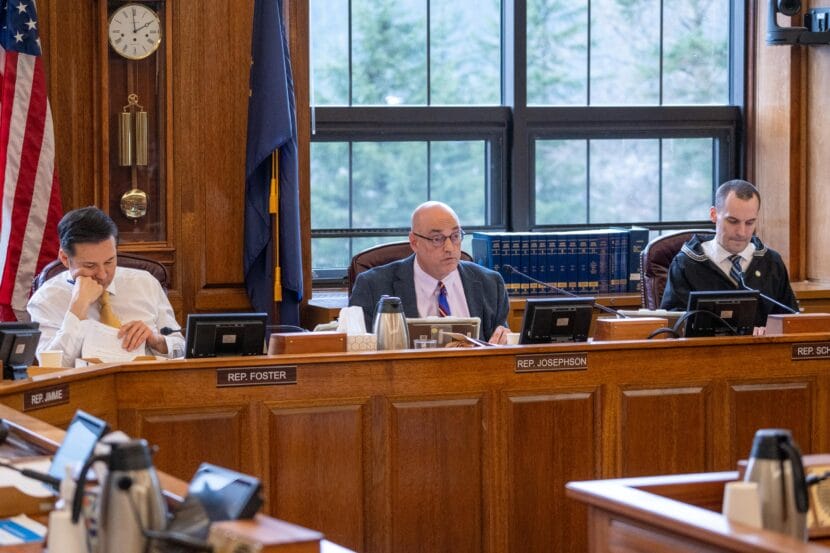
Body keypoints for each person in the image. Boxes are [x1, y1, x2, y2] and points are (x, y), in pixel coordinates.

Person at [27, 207, 184, 366]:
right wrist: (78, 307)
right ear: (65, 258)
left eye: (109, 261)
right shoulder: (45, 299)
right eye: (90, 265)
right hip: (84, 388)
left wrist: (156, 341)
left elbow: (182, 348)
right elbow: (52, 368)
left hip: (149, 384)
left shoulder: (145, 283)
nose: (102, 274)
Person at [350, 201, 511, 344]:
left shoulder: (490, 284)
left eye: (455, 236)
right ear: (414, 242)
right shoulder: (372, 286)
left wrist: (505, 339)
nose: (449, 248)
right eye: (437, 239)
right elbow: (359, 352)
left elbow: (498, 344)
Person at [660, 179, 798, 329]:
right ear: (713, 215)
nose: (742, 232)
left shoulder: (771, 262)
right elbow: (673, 325)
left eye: (750, 223)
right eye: (733, 221)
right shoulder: (687, 263)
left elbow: (790, 320)